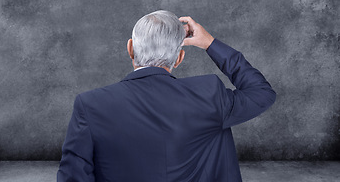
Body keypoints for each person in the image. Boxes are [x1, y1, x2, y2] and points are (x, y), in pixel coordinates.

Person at [57, 10, 276, 181]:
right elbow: (261, 93)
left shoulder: (90, 105)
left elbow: (73, 177)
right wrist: (209, 43)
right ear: (179, 58)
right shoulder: (209, 95)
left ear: (130, 49)